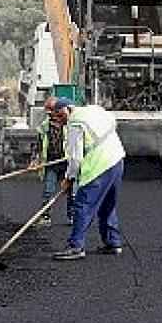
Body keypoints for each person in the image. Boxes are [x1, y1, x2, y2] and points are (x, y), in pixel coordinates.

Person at [50, 98, 126, 261]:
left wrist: (69, 178)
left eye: (60, 116)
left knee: (82, 205)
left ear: (66, 110)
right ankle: (113, 242)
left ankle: (76, 246)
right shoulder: (94, 110)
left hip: (98, 166)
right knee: (107, 204)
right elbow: (113, 122)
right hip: (117, 160)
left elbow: (75, 158)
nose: (60, 121)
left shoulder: (75, 123)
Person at [34, 97, 74, 228]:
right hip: (51, 163)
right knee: (48, 191)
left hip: (67, 162)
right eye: (49, 113)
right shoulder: (45, 126)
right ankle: (46, 217)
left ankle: (72, 216)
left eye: (52, 112)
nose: (50, 115)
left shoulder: (69, 125)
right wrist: (34, 159)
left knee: (71, 191)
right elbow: (39, 144)